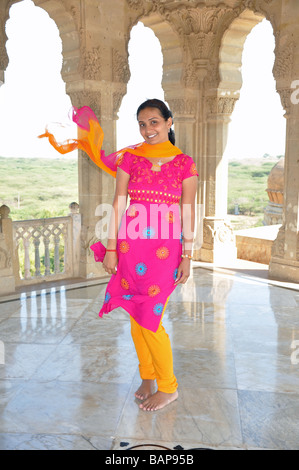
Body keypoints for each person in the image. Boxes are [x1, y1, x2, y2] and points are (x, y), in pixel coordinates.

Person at [39, 98, 198, 412]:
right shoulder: (131, 159)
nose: (147, 129)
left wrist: (188, 255)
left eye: (153, 121)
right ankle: (149, 377)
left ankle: (169, 387)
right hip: (129, 247)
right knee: (137, 317)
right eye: (141, 123)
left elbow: (188, 211)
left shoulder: (185, 163)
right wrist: (111, 248)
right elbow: (118, 204)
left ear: (169, 122)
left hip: (165, 254)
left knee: (150, 320)